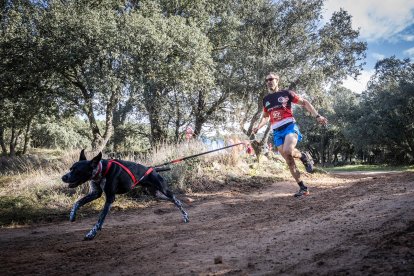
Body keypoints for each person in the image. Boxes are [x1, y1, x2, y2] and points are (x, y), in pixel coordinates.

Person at [253, 72, 328, 197]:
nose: (269, 82)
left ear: (277, 80)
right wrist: (258, 126)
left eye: (271, 79)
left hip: (289, 127)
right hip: (277, 132)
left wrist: (317, 116)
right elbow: (266, 117)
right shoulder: (266, 100)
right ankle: (303, 187)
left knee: (288, 150)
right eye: (266, 80)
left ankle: (303, 156)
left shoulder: (286, 93)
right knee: (289, 160)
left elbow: (304, 102)